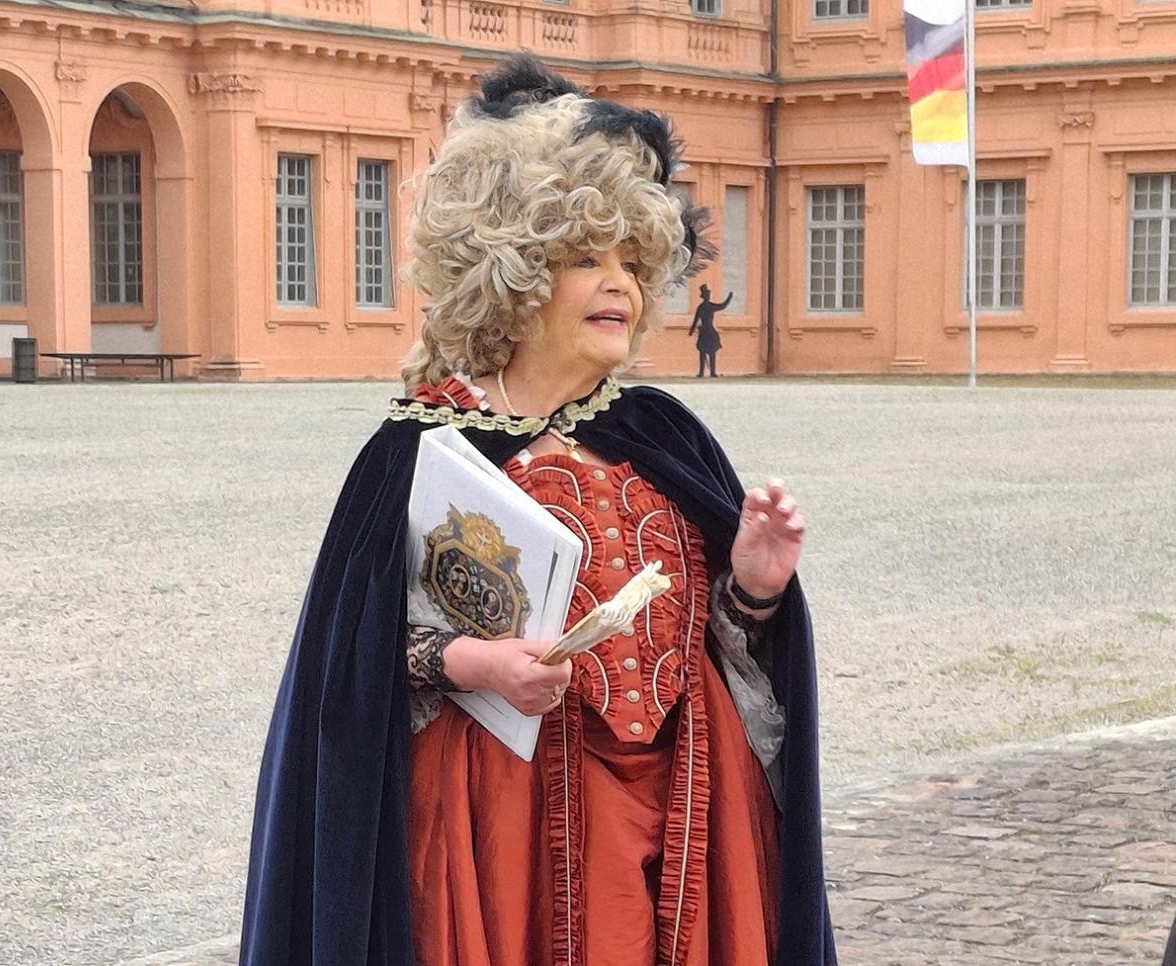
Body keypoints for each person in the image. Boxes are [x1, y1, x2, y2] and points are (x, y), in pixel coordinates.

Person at [239, 55, 838, 966]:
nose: (620, 286)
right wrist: (472, 660)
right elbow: (348, 666)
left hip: (688, 809)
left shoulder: (662, 432)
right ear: (511, 269)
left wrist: (753, 588)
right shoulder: (422, 444)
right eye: (585, 259)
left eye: (633, 263)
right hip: (499, 826)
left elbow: (727, 648)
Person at [688, 284, 733, 378]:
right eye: (707, 295)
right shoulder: (705, 307)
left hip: (706, 331)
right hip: (707, 331)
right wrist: (729, 297)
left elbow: (722, 306)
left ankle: (709, 372)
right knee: (705, 352)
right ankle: (704, 372)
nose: (708, 297)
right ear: (705, 297)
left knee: (708, 352)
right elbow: (696, 319)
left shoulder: (704, 307)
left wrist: (729, 297)